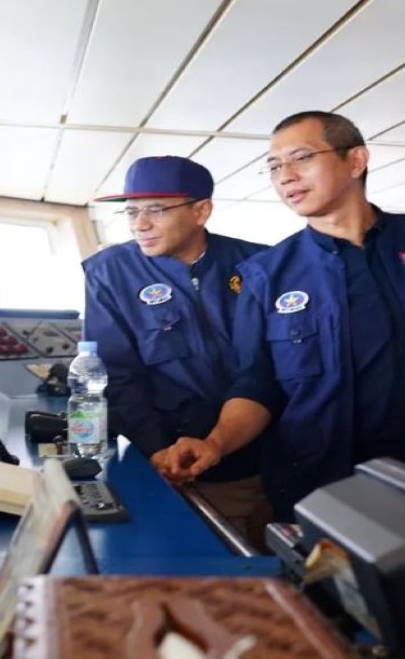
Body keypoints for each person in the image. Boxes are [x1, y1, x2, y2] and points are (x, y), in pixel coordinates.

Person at [164, 112, 405, 521]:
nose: (285, 176)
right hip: (321, 483)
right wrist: (216, 443)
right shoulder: (266, 275)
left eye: (301, 158)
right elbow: (257, 383)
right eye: (274, 166)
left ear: (356, 160)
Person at [83, 156, 272, 549]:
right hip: (185, 465)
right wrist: (158, 450)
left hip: (279, 455)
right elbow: (117, 372)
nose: (139, 224)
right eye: (131, 211)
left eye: (156, 209)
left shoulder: (260, 264)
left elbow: (274, 366)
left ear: (201, 211)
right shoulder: (111, 273)